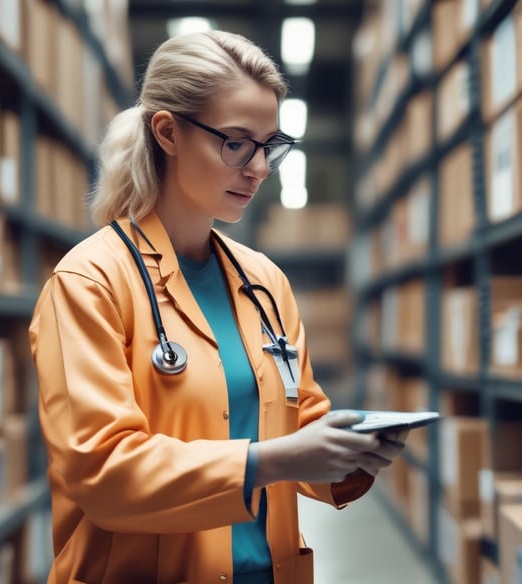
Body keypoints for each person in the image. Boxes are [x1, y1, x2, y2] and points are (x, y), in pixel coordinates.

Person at [29, 30, 410, 584]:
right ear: (168, 133)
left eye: (270, 144)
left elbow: (297, 420)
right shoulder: (90, 281)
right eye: (236, 143)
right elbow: (103, 474)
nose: (259, 167)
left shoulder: (264, 282)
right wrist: (275, 460)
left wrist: (346, 454)